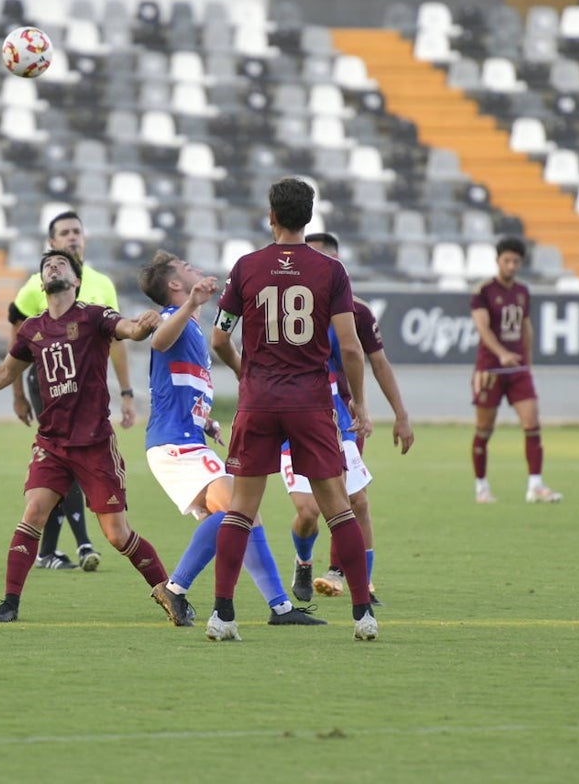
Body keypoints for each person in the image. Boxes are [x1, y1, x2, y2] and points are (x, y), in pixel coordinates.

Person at [0, 250, 188, 625]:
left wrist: (143, 323)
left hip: (95, 443)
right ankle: (9, 603)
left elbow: (127, 330)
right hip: (52, 442)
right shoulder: (32, 330)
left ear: (76, 280)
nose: (53, 267)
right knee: (33, 512)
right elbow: (3, 373)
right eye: (47, 265)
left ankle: (170, 592)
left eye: (61, 264)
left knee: (116, 535)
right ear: (41, 281)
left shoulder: (93, 315)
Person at [207, 176, 378, 642]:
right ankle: (363, 616)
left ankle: (223, 615)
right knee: (338, 509)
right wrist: (359, 403)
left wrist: (247, 373)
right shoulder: (331, 272)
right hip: (310, 402)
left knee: (241, 510)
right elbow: (352, 348)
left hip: (259, 400)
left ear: (272, 216)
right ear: (309, 217)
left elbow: (219, 337)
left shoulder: (245, 268)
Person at [139, 250, 325, 627]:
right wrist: (192, 301)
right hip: (175, 445)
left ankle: (281, 608)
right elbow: (158, 341)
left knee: (245, 515)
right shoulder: (172, 319)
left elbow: (180, 385)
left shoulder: (191, 327)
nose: (195, 268)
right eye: (187, 268)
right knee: (237, 511)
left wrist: (205, 421)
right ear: (175, 285)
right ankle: (175, 588)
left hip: (187, 438)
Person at [282, 232, 415, 605]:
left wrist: (399, 415)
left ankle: (359, 583)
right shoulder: (286, 307)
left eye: (331, 263)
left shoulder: (355, 312)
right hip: (291, 417)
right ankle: (305, 561)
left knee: (356, 502)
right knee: (308, 511)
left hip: (340, 417)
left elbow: (376, 362)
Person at [7, 210, 136, 572]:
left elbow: (118, 340)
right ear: (51, 242)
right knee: (66, 457)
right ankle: (81, 544)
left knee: (69, 466)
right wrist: (17, 393)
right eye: (64, 232)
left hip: (89, 388)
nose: (72, 237)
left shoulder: (102, 284)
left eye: (77, 231)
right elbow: (15, 339)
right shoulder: (38, 283)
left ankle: (52, 550)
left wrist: (126, 392)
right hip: (47, 383)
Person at [470, 236, 562, 504]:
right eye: (507, 260)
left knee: (532, 424)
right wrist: (501, 354)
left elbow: (526, 327)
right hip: (490, 371)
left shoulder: (522, 291)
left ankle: (535, 485)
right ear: (498, 260)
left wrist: (527, 362)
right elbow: (482, 327)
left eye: (516, 261)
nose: (511, 266)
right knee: (484, 429)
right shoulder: (483, 291)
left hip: (519, 369)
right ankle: (481, 488)